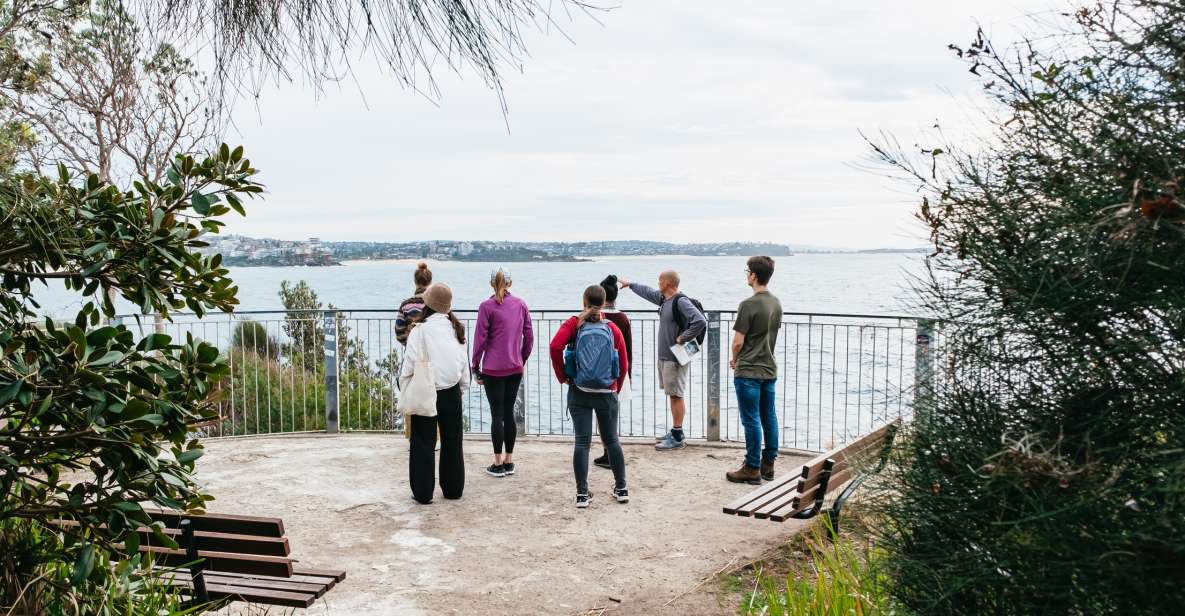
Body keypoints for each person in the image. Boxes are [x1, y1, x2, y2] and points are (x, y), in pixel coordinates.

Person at [549, 285, 630, 508]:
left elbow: (555, 346)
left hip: (579, 391)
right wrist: (615, 386)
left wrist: (564, 376)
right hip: (607, 392)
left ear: (583, 301)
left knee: (582, 442)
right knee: (612, 440)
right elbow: (623, 364)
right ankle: (621, 488)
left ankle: (582, 494)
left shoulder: (574, 324)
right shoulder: (612, 328)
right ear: (604, 303)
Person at [618, 270, 706, 451]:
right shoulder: (664, 300)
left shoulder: (680, 301)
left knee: (676, 395)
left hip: (676, 357)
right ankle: (675, 431)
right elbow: (648, 292)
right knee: (672, 394)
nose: (658, 282)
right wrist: (631, 284)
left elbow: (700, 321)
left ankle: (677, 435)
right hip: (666, 357)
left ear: (668, 282)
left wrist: (683, 337)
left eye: (660, 279)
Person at [399, 283, 471, 504]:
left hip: (426, 390)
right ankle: (453, 489)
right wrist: (462, 387)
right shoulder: (456, 329)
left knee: (423, 442)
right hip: (451, 391)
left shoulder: (419, 331)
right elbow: (463, 366)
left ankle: (423, 492)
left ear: (427, 304)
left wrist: (403, 385)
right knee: (452, 441)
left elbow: (409, 365)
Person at [471, 268, 534, 478]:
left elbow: (480, 340)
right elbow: (529, 337)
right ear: (510, 282)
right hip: (514, 366)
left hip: (493, 369)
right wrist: (521, 358)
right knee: (509, 414)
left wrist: (475, 366)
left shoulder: (486, 307)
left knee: (496, 415)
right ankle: (509, 460)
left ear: (492, 284)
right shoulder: (520, 304)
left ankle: (497, 464)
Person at [726, 257, 783, 485]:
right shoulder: (776, 303)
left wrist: (734, 359)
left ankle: (751, 468)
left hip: (749, 369)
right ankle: (767, 465)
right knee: (769, 417)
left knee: (751, 420)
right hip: (769, 368)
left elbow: (738, 341)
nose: (746, 274)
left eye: (747, 271)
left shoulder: (748, 305)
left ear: (754, 276)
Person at [593, 274, 632, 470]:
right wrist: (628, 376)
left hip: (598, 373)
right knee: (611, 414)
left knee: (602, 416)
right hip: (619, 372)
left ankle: (609, 452)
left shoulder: (596, 317)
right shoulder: (623, 318)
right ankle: (610, 451)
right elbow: (628, 351)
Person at [395, 262, 433, 347]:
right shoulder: (437, 304)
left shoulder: (405, 305)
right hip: (434, 353)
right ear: (430, 282)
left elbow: (399, 332)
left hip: (412, 353)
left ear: (415, 282)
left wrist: (410, 345)